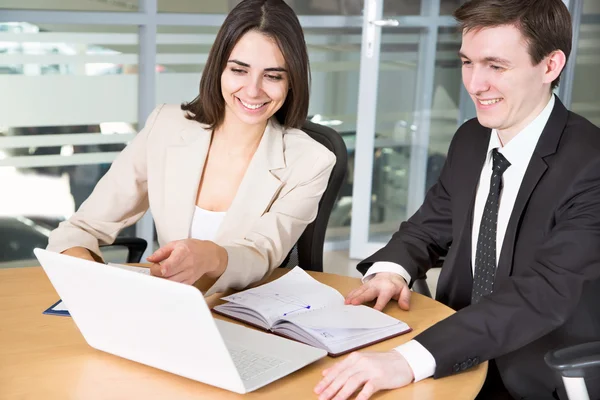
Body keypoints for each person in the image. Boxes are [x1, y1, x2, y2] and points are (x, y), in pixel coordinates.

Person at [315, 0, 600, 399]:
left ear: (550, 66)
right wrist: (391, 270)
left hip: (533, 375)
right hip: (450, 349)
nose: (474, 84)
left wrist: (408, 360)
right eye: (468, 62)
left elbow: (544, 292)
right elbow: (431, 223)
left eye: (496, 66)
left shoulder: (591, 166)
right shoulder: (472, 138)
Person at [47, 0, 335, 297]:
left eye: (273, 76)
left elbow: (262, 252)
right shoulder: (166, 127)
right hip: (167, 305)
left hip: (240, 312)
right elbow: (81, 228)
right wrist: (88, 278)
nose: (252, 90)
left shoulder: (311, 161)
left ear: (292, 82)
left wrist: (211, 256)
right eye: (239, 70)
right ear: (219, 68)